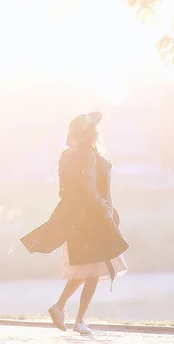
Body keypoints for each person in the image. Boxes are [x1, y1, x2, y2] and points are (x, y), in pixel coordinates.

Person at [20, 111, 129, 335]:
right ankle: (74, 316)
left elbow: (68, 190)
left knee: (89, 269)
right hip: (91, 219)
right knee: (92, 268)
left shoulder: (67, 155)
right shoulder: (87, 156)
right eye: (94, 130)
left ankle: (66, 311)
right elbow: (89, 188)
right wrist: (105, 211)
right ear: (90, 134)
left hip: (76, 217)